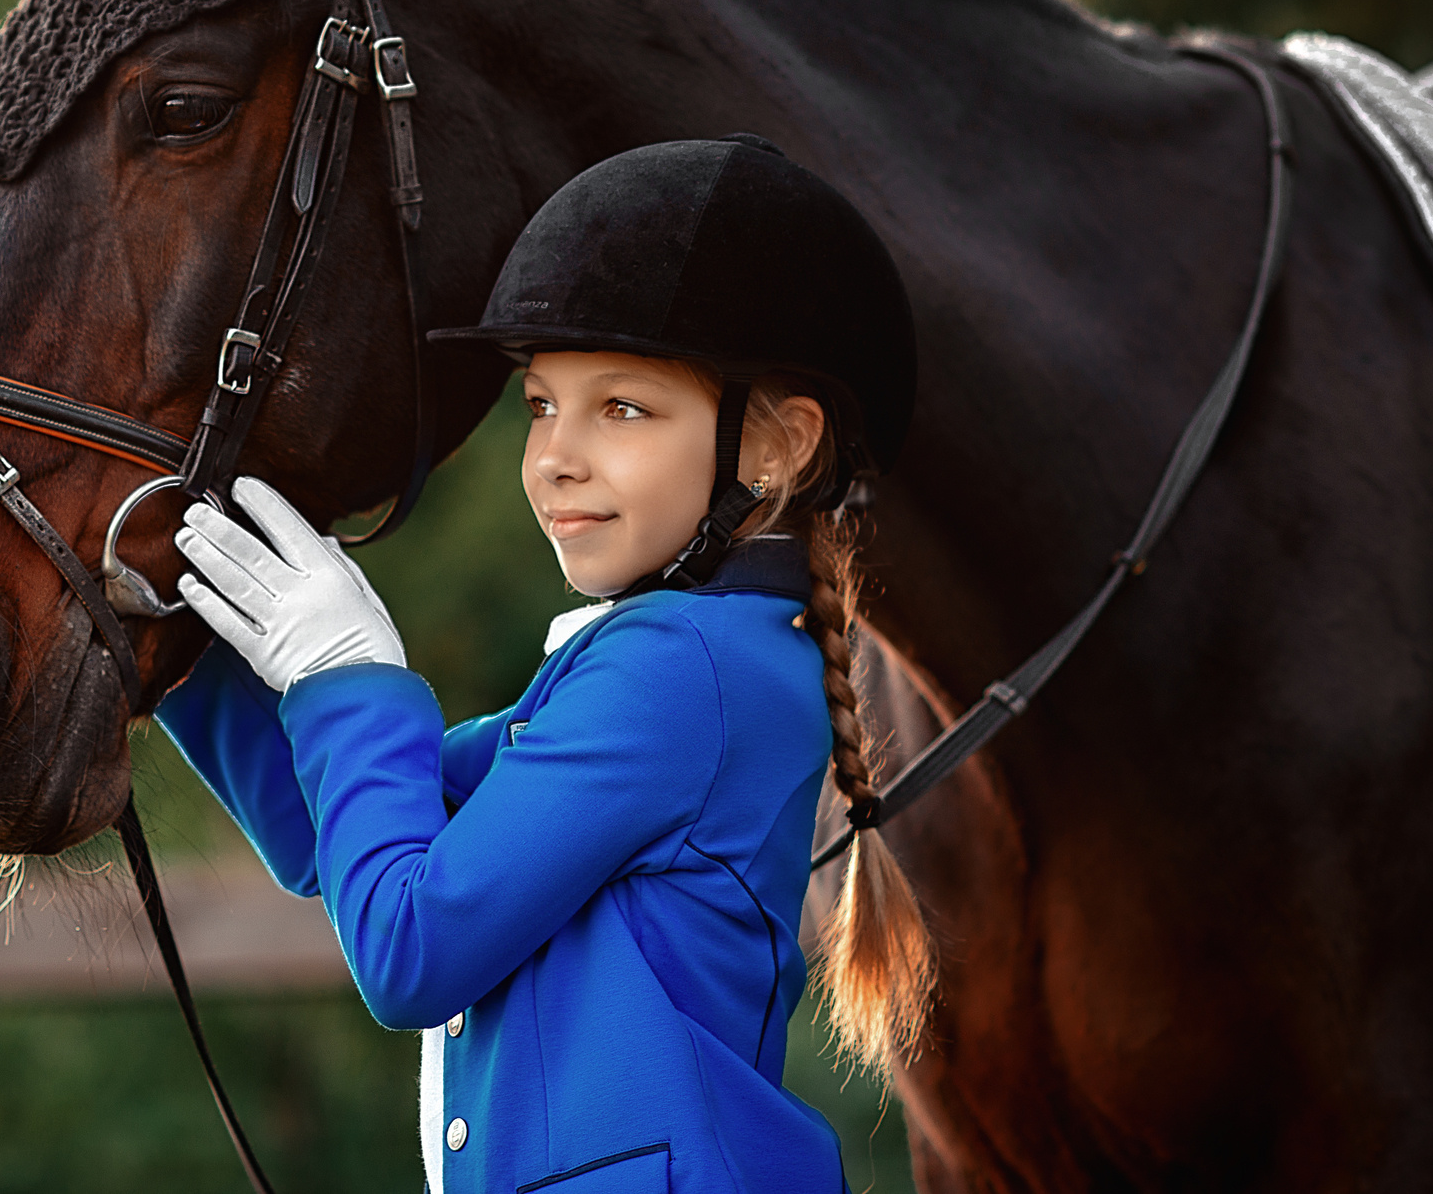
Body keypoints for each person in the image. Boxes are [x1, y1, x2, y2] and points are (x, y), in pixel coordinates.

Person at [155, 134, 929, 1193]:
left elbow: (413, 943)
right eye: (539, 403)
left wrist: (347, 673)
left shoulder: (675, 670)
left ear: (776, 446)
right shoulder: (688, 658)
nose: (555, 453)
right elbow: (338, 837)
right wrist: (174, 648)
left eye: (621, 407)